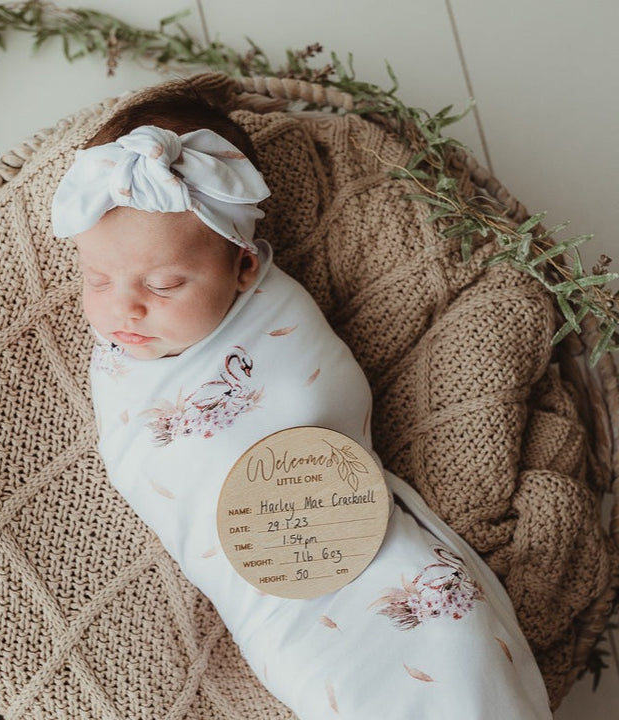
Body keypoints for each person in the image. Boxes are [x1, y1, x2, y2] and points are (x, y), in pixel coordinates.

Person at [51, 84, 552, 719]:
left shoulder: (274, 313)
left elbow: (322, 395)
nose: (124, 308)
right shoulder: (123, 358)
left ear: (243, 268)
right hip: (280, 595)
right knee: (340, 684)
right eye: (97, 278)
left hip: (363, 536)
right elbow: (153, 460)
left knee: (455, 640)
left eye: (165, 283)